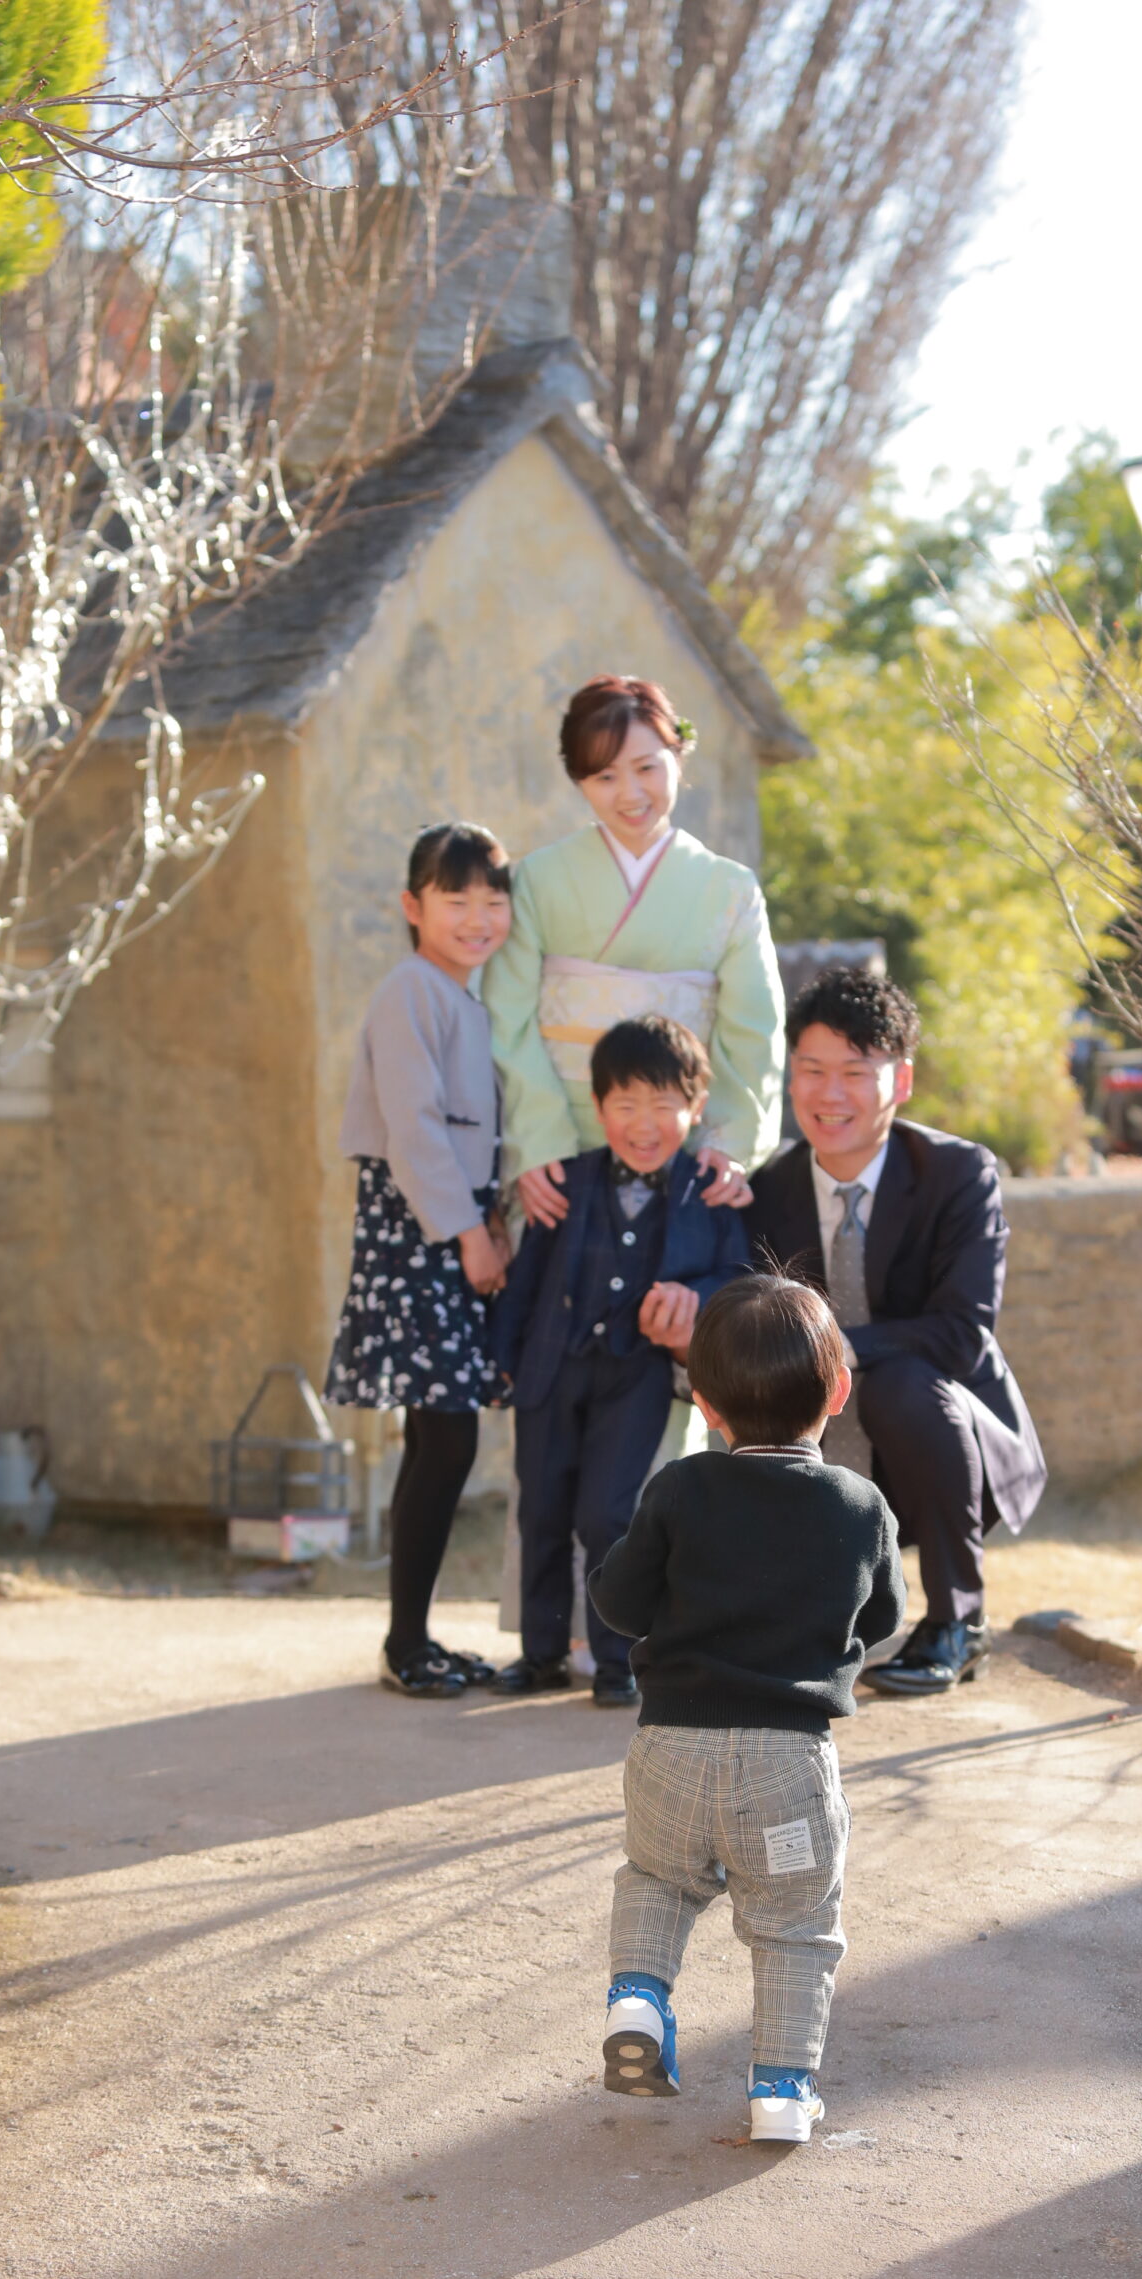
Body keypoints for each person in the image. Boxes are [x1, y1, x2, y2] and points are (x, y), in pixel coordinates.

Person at [589, 1273, 904, 2143]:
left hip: (670, 1752)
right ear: (837, 1391)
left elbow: (619, 1603)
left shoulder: (678, 1489)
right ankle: (781, 2092)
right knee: (795, 1927)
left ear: (704, 1402)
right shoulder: (859, 1505)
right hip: (786, 1767)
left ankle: (638, 2000)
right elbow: (882, 1619)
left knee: (659, 1880)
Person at [747, 967, 1047, 1698]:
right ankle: (793, 1605)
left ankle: (956, 1623)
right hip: (823, 1437)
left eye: (855, 1072)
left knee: (900, 1381)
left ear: (900, 1081)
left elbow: (962, 1333)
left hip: (941, 1442)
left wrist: (839, 1349)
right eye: (812, 1070)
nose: (830, 1094)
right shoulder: (765, 1190)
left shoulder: (956, 1174)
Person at [490, 1015, 750, 1707]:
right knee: (542, 1512)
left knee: (607, 1515)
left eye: (663, 1105)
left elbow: (735, 1277)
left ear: (695, 1108)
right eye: (626, 1104)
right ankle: (541, 1654)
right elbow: (525, 1278)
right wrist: (502, 1361)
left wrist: (693, 1298)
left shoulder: (707, 1192)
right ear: (599, 1107)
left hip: (636, 1376)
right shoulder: (565, 1181)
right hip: (550, 1370)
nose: (644, 1124)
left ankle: (615, 1659)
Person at [483, 673, 785, 1229]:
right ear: (579, 780)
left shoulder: (729, 889)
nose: (630, 793)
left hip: (685, 1144)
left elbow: (753, 1028)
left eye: (647, 768)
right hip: (563, 1151)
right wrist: (538, 1141)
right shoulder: (538, 880)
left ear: (678, 756)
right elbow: (509, 1020)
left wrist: (730, 1140)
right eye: (605, 776)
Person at [325, 822, 514, 1701]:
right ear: (413, 906)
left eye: (492, 900)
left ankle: (415, 1637)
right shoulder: (411, 989)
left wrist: (491, 1218)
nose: (477, 917)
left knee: (442, 1436)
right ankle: (406, 1643)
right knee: (444, 1435)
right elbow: (414, 1127)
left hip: (454, 1223)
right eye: (455, 898)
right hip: (419, 1227)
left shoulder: (466, 997)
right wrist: (468, 1233)